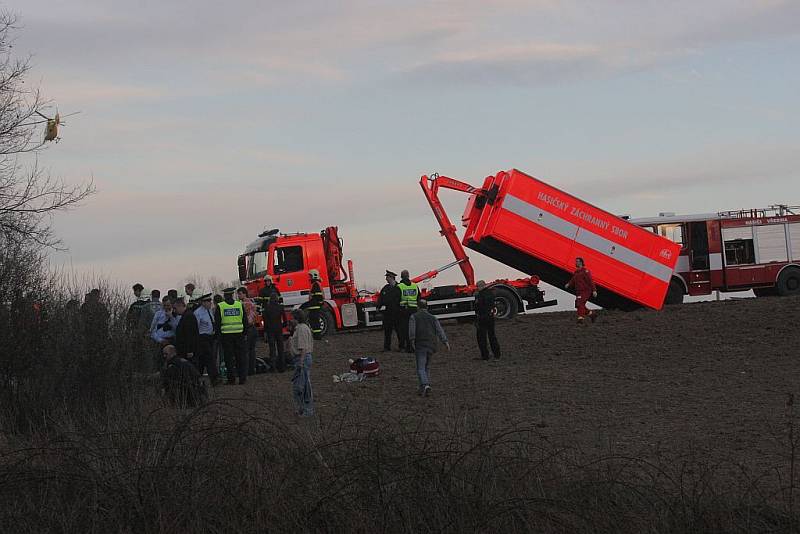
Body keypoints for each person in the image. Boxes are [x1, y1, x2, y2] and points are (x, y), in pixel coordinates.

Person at [409, 299, 450, 397]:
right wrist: (445, 342)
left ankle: (425, 384)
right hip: (432, 345)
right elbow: (439, 330)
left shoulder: (414, 317)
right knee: (427, 366)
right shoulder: (433, 318)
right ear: (427, 307)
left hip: (421, 344)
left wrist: (412, 341)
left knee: (420, 368)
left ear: (417, 307)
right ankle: (424, 387)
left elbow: (412, 331)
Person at [215, 287, 249, 385]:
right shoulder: (239, 305)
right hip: (239, 335)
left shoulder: (220, 306)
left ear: (225, 296)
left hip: (226, 336)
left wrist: (218, 337)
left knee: (229, 358)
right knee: (240, 357)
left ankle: (231, 379)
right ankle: (242, 378)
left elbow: (217, 324)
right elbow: (245, 320)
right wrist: (245, 333)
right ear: (232, 295)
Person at [289, 309, 314, 416]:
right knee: (301, 385)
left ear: (296, 318)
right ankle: (302, 409)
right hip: (301, 359)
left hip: (301, 359)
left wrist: (301, 362)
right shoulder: (300, 328)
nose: (291, 320)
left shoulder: (302, 329)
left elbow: (303, 348)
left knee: (302, 386)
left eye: (292, 318)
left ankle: (307, 410)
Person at [194, 293, 220, 386]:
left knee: (203, 359)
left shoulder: (209, 311)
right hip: (202, 338)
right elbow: (196, 327)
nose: (210, 303)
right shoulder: (198, 313)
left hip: (210, 337)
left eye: (210, 301)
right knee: (209, 358)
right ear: (203, 302)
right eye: (208, 301)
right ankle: (214, 378)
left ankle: (197, 377)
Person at [565, 257, 598, 324]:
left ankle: (580, 319)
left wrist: (594, 290)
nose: (576, 263)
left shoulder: (585, 271)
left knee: (580, 303)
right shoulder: (576, 272)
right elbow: (573, 279)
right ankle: (592, 314)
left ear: (581, 262)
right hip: (578, 291)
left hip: (586, 291)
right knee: (578, 305)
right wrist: (568, 284)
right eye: (576, 261)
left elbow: (590, 281)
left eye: (577, 261)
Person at [474, 280, 502, 360]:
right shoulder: (491, 294)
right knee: (492, 336)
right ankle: (497, 354)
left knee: (481, 338)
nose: (477, 288)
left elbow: (478, 307)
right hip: (490, 317)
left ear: (480, 287)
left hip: (482, 318)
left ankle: (485, 355)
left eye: (477, 287)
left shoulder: (479, 295)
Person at [376, 269, 402, 351]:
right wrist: (378, 307)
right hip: (388, 313)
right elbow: (381, 298)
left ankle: (401, 346)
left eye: (387, 277)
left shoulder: (399, 287)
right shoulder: (385, 288)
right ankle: (387, 347)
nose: (386, 278)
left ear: (391, 277)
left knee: (399, 331)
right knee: (387, 331)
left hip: (397, 312)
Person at [396, 269, 420, 353]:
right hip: (414, 310)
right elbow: (419, 298)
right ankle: (414, 346)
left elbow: (396, 300)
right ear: (408, 276)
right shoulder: (415, 286)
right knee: (414, 329)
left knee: (404, 329)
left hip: (403, 311)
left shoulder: (399, 286)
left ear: (401, 276)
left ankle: (405, 346)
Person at [237, 286, 258, 376]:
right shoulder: (252, 302)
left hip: (247, 329)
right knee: (252, 350)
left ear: (244, 293)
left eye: (240, 293)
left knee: (245, 351)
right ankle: (252, 369)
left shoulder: (243, 304)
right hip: (253, 328)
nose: (238, 295)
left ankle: (246, 370)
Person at [264, 295, 287, 372]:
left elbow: (265, 321)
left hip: (270, 330)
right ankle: (282, 366)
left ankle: (273, 366)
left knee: (272, 349)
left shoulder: (267, 308)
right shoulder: (280, 307)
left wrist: (265, 331)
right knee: (280, 348)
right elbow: (285, 319)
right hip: (279, 329)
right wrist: (283, 325)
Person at [173, 298, 199, 363]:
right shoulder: (185, 316)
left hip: (187, 351)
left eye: (175, 308)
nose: (174, 311)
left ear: (180, 306)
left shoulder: (188, 316)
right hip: (184, 350)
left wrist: (190, 350)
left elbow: (190, 335)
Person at [307, 269, 325, 339]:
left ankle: (317, 336)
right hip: (314, 306)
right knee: (313, 321)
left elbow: (318, 295)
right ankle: (316, 335)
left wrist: (316, 303)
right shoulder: (315, 284)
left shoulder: (316, 284)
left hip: (315, 306)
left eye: (310, 276)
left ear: (314, 276)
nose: (309, 277)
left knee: (315, 321)